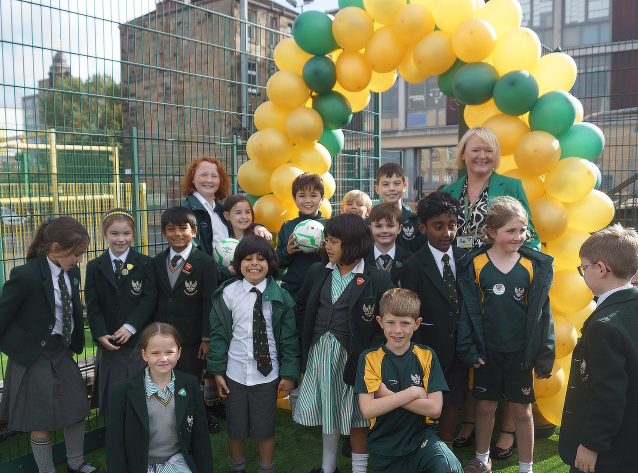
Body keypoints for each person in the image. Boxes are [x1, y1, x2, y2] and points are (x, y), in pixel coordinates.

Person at [443, 127, 540, 455]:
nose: (481, 156)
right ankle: (470, 423)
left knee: (503, 349)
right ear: (463, 154)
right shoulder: (450, 190)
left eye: (488, 150)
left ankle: (507, 431)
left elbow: (532, 235)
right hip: (461, 284)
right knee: (473, 352)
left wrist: (516, 266)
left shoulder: (510, 186)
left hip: (500, 285)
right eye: (474, 150)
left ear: (495, 155)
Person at [456, 196, 554, 473]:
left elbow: (543, 316)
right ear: (492, 233)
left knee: (522, 412)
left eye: (523, 230)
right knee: (484, 408)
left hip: (520, 356)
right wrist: (468, 351)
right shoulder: (474, 265)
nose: (519, 236)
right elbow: (467, 313)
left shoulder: (534, 266)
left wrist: (544, 356)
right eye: (511, 230)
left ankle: (526, 467)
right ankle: (482, 458)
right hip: (486, 355)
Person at [0, 217, 104, 473]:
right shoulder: (25, 275)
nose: (80, 259)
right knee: (40, 419)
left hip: (61, 350)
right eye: (77, 254)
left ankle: (76, 464)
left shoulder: (73, 271)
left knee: (78, 408)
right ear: (56, 247)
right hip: (34, 355)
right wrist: (20, 346)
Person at [293, 213, 394, 473]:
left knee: (358, 414)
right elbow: (303, 305)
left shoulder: (378, 278)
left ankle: (359, 470)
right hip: (321, 354)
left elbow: (385, 321)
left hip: (355, 358)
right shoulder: (318, 272)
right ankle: (328, 468)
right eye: (326, 240)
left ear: (353, 243)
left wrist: (369, 354)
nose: (326, 246)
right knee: (330, 413)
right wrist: (310, 335)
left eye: (333, 241)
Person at [208, 235, 300, 473]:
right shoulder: (228, 293)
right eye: (247, 259)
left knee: (265, 427)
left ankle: (265, 469)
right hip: (235, 372)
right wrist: (217, 371)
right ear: (238, 264)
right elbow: (218, 336)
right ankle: (236, 468)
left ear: (271, 263)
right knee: (235, 427)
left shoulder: (281, 295)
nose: (254, 263)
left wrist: (289, 374)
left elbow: (289, 339)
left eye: (261, 258)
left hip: (268, 375)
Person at [355, 288, 463, 473]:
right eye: (391, 323)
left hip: (422, 440)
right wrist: (414, 392)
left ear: (417, 323)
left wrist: (387, 395)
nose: (398, 330)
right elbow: (368, 410)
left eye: (405, 323)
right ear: (380, 322)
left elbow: (435, 409)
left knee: (448, 467)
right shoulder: (369, 358)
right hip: (385, 447)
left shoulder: (427, 356)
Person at [559, 224, 638, 473]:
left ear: (601, 269)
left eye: (584, 267)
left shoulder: (605, 325)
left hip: (609, 452)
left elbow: (608, 394)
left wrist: (591, 445)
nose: (583, 273)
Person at [399, 192, 468, 449]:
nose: (447, 233)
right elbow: (409, 314)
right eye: (438, 227)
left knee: (451, 401)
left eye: (452, 225)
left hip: (459, 348)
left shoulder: (464, 260)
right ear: (422, 228)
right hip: (426, 348)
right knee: (423, 401)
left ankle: (446, 448)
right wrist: (413, 353)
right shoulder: (413, 266)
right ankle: (420, 448)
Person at [106, 322, 213, 473]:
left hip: (177, 462)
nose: (163, 358)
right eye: (155, 353)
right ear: (144, 354)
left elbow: (200, 437)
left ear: (179, 352)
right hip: (141, 467)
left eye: (169, 352)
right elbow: (114, 446)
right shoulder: (122, 391)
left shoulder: (190, 384)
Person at [86, 208, 158, 417]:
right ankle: (117, 440)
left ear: (133, 234)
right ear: (104, 234)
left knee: (139, 398)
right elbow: (93, 305)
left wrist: (130, 326)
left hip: (137, 341)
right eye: (114, 234)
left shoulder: (146, 263)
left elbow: (149, 299)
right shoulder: (94, 266)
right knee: (114, 400)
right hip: (109, 343)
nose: (120, 239)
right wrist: (99, 333)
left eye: (126, 233)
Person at [153, 206, 219, 431]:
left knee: (191, 380)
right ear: (164, 233)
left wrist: (206, 337)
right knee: (165, 378)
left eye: (183, 228)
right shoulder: (157, 261)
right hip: (163, 336)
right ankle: (169, 419)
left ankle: (198, 418)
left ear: (194, 232)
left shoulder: (205, 262)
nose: (177, 233)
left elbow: (208, 302)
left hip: (191, 338)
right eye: (170, 229)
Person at [181, 157, 270, 283]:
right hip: (210, 280)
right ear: (192, 178)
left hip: (230, 278)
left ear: (220, 180)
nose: (209, 180)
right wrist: (225, 272)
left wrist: (256, 226)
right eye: (203, 175)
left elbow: (240, 221)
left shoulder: (219, 210)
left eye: (214, 176)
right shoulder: (187, 211)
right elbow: (193, 252)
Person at [276, 172, 328, 304]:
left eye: (313, 195)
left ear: (322, 198)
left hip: (324, 290)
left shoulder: (330, 226)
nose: (308, 200)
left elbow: (340, 259)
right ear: (294, 199)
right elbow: (278, 263)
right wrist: (287, 252)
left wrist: (326, 251)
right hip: (294, 292)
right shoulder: (287, 227)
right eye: (302, 195)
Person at [373, 163, 425, 253]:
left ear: (404, 186)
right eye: (385, 184)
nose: (392, 188)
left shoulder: (416, 221)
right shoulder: (369, 221)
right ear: (377, 189)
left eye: (396, 183)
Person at [365, 203, 412, 285]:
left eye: (390, 226)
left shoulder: (410, 260)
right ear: (370, 229)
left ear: (399, 229)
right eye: (378, 226)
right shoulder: (361, 259)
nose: (384, 231)